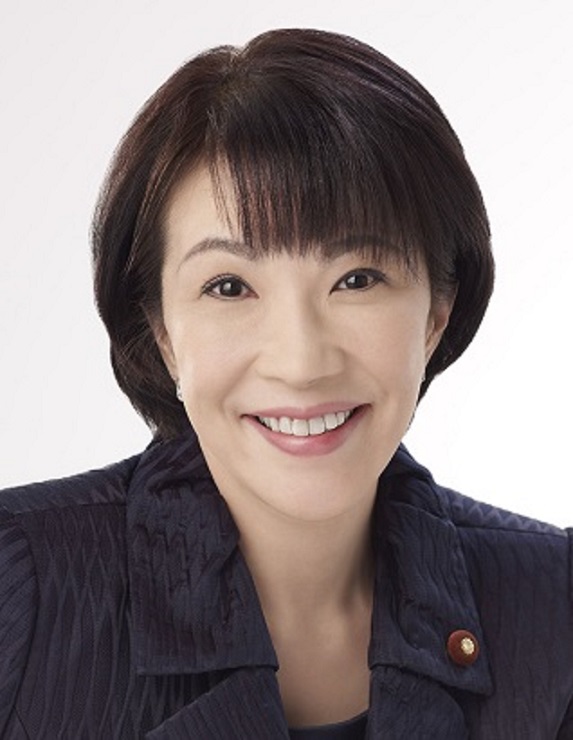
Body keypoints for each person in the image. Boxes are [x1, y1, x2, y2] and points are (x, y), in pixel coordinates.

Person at [0, 27, 571, 739]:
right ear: (162, 331)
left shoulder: (552, 608)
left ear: (436, 314)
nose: (301, 363)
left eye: (357, 279)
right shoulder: (21, 585)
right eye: (229, 286)